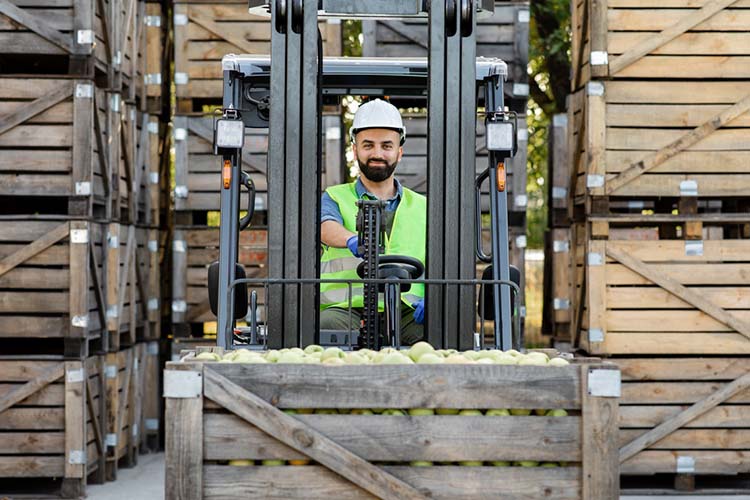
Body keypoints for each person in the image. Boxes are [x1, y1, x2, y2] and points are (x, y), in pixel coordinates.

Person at [319, 99, 426, 345]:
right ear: (355, 149)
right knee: (326, 326)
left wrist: (436, 298)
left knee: (441, 326)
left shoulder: (424, 206)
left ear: (399, 151)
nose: (377, 154)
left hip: (407, 311)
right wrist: (351, 239)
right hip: (347, 309)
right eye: (368, 145)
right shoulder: (334, 196)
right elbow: (325, 225)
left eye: (386, 145)